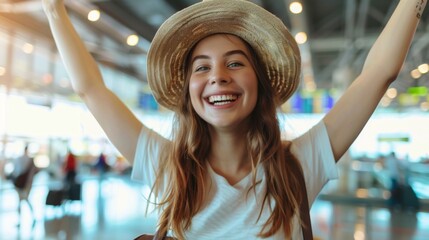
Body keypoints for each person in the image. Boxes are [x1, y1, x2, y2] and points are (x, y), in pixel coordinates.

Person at [41, 0, 426, 239]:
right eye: (201, 67)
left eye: (235, 63)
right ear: (190, 92)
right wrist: (52, 9)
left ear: (258, 82)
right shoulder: (169, 165)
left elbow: (379, 74)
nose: (217, 76)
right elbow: (91, 90)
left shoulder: (297, 165)